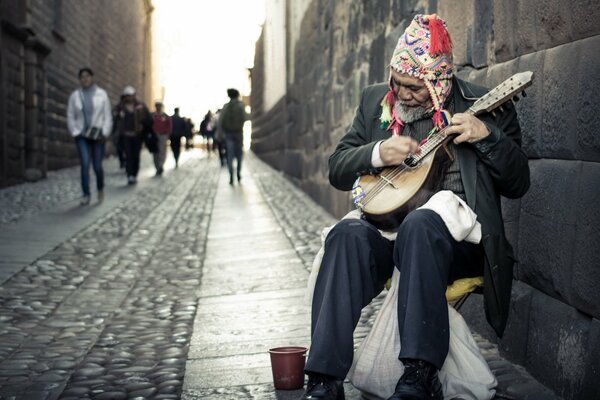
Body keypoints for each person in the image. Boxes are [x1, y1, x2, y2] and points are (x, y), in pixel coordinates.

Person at [302, 14, 530, 400]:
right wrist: (376, 152)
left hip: (454, 244)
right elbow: (336, 169)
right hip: (387, 233)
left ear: (438, 82)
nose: (403, 94)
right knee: (345, 235)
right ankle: (324, 377)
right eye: (399, 84)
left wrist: (486, 136)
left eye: (415, 88)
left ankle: (418, 374)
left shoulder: (482, 106)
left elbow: (518, 183)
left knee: (422, 225)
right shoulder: (377, 100)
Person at [66, 67, 112, 205]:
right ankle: (86, 194)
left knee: (97, 166)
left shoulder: (102, 94)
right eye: (82, 77)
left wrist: (104, 132)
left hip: (97, 135)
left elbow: (107, 116)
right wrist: (75, 131)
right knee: (85, 163)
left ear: (92, 78)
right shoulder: (75, 96)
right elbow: (70, 115)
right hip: (82, 135)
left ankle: (100, 188)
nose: (85, 79)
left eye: (87, 76)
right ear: (79, 79)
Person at [113, 86, 151, 184]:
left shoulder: (141, 106)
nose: (129, 98)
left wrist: (143, 125)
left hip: (137, 135)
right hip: (125, 135)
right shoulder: (120, 107)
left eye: (131, 95)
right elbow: (114, 119)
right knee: (128, 155)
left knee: (136, 155)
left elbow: (148, 119)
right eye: (127, 96)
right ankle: (129, 174)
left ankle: (134, 173)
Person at [219, 88, 249, 185]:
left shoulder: (226, 106)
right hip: (238, 133)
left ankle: (231, 175)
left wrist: (221, 133)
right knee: (239, 154)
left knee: (230, 155)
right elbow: (245, 117)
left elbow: (221, 121)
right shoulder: (241, 105)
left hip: (228, 134)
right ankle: (238, 173)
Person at [151, 100, 172, 175]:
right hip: (154, 136)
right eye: (157, 105)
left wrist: (167, 134)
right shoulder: (152, 116)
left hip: (163, 136)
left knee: (162, 151)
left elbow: (169, 126)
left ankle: (160, 165)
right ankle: (157, 166)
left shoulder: (165, 116)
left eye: (159, 105)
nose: (158, 107)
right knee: (155, 152)